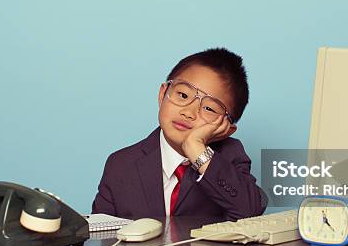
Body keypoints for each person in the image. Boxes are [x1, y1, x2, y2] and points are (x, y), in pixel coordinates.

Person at [91, 47, 267, 220]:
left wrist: (197, 149)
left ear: (226, 129)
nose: (189, 112)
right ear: (162, 94)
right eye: (183, 95)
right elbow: (99, 237)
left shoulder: (229, 155)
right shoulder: (120, 165)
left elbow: (249, 211)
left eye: (209, 108)